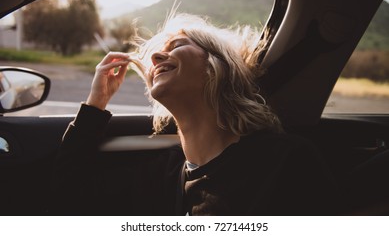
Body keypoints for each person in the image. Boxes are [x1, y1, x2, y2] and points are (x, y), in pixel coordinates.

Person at [50, 13, 339, 215]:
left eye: (176, 46)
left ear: (217, 65)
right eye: (155, 54)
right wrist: (96, 102)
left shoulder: (284, 162)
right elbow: (68, 199)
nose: (155, 57)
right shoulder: (160, 176)